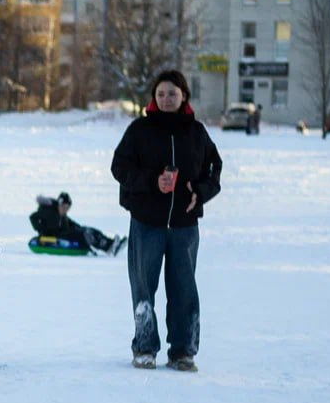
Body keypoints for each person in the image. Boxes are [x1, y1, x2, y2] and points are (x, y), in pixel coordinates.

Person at [110, 69, 222, 372]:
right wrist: (150, 181)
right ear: (153, 98)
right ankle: (145, 348)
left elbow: (215, 169)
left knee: (184, 287)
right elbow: (119, 167)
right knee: (144, 287)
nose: (166, 98)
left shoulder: (196, 132)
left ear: (183, 95)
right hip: (147, 222)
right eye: (161, 94)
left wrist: (200, 191)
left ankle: (183, 351)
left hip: (184, 226)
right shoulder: (139, 130)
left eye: (172, 93)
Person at [30, 191, 125, 256]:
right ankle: (109, 248)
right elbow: (33, 217)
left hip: (64, 233)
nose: (66, 209)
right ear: (60, 204)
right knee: (86, 234)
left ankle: (111, 243)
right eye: (65, 207)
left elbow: (71, 223)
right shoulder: (49, 211)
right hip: (58, 235)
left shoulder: (61, 215)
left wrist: (81, 228)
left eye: (68, 207)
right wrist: (41, 230)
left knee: (87, 230)